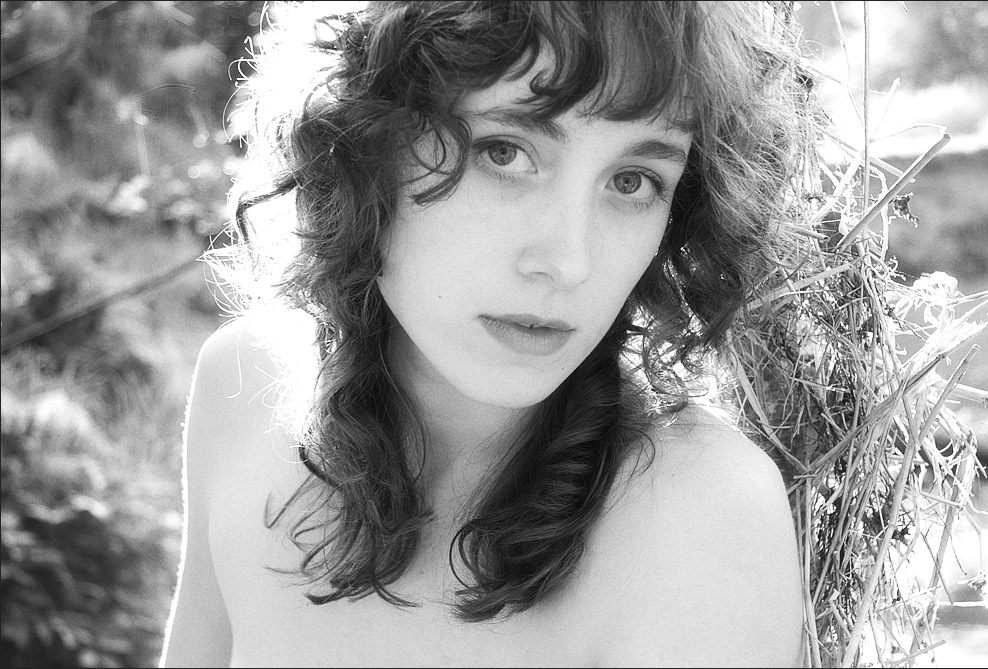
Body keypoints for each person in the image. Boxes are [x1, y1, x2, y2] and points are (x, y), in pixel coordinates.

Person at [160, 2, 819, 666]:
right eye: (505, 152)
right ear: (364, 140)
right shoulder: (244, 389)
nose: (568, 262)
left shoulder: (700, 518)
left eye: (632, 181)